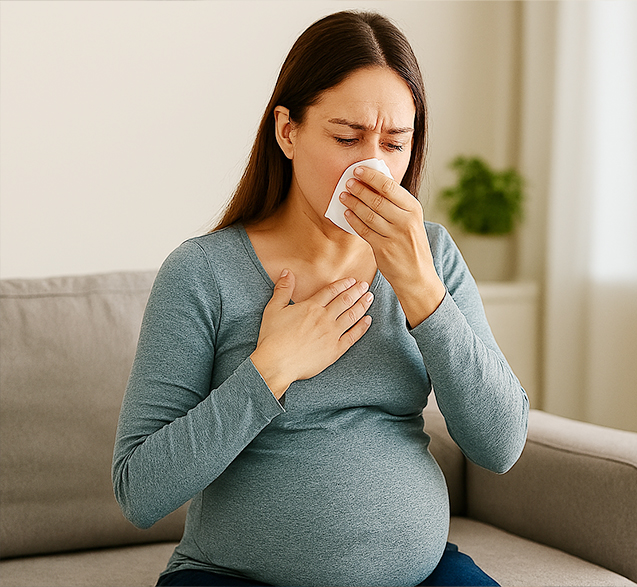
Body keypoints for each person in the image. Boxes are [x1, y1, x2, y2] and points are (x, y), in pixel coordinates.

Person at [112, 10, 529, 587]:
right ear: (288, 131)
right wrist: (270, 370)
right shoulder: (203, 273)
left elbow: (501, 446)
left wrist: (421, 291)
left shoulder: (431, 256)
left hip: (422, 576)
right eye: (347, 138)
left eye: (395, 143)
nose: (373, 167)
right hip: (233, 577)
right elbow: (138, 491)